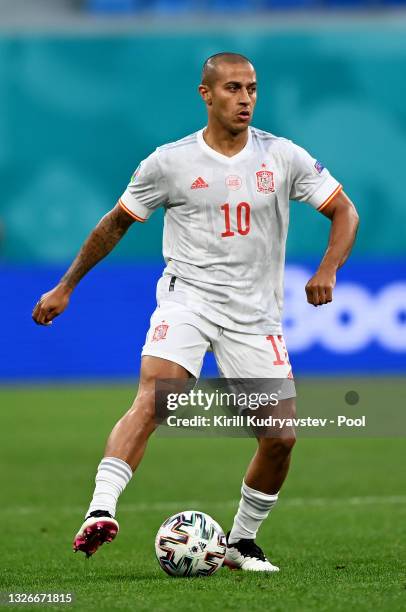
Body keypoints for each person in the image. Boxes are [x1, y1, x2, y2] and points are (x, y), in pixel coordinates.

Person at [32, 52, 359, 572]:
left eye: (252, 88)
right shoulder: (169, 162)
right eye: (233, 89)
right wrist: (65, 286)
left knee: (280, 439)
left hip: (255, 315)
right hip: (189, 299)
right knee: (159, 395)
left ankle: (241, 542)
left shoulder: (283, 156)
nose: (245, 98)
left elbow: (344, 209)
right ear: (206, 95)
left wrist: (329, 268)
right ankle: (100, 509)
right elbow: (115, 223)